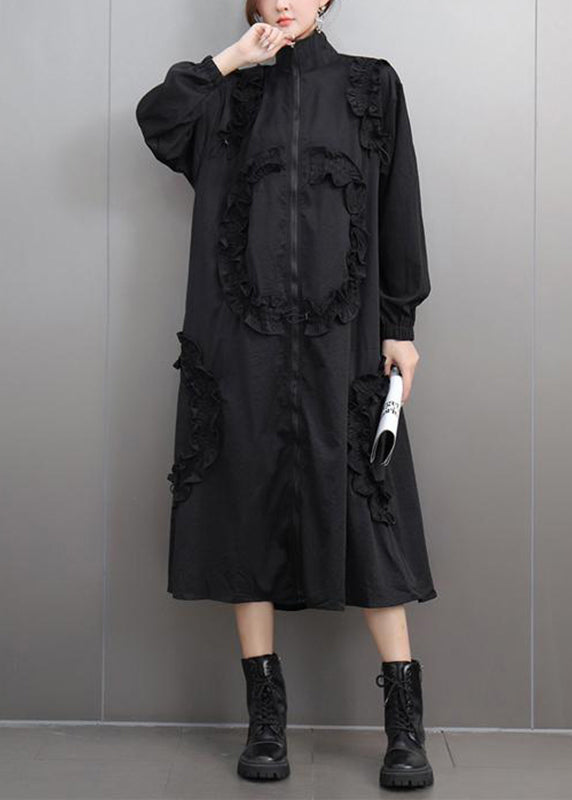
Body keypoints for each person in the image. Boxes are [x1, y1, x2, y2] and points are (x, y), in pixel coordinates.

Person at [136, 0, 437, 789]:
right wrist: (231, 60)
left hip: (346, 343)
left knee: (368, 515)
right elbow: (157, 120)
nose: (284, 1)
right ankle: (265, 721)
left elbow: (399, 202)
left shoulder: (371, 86)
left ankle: (405, 728)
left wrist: (400, 325)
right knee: (246, 508)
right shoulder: (225, 96)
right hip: (242, 341)